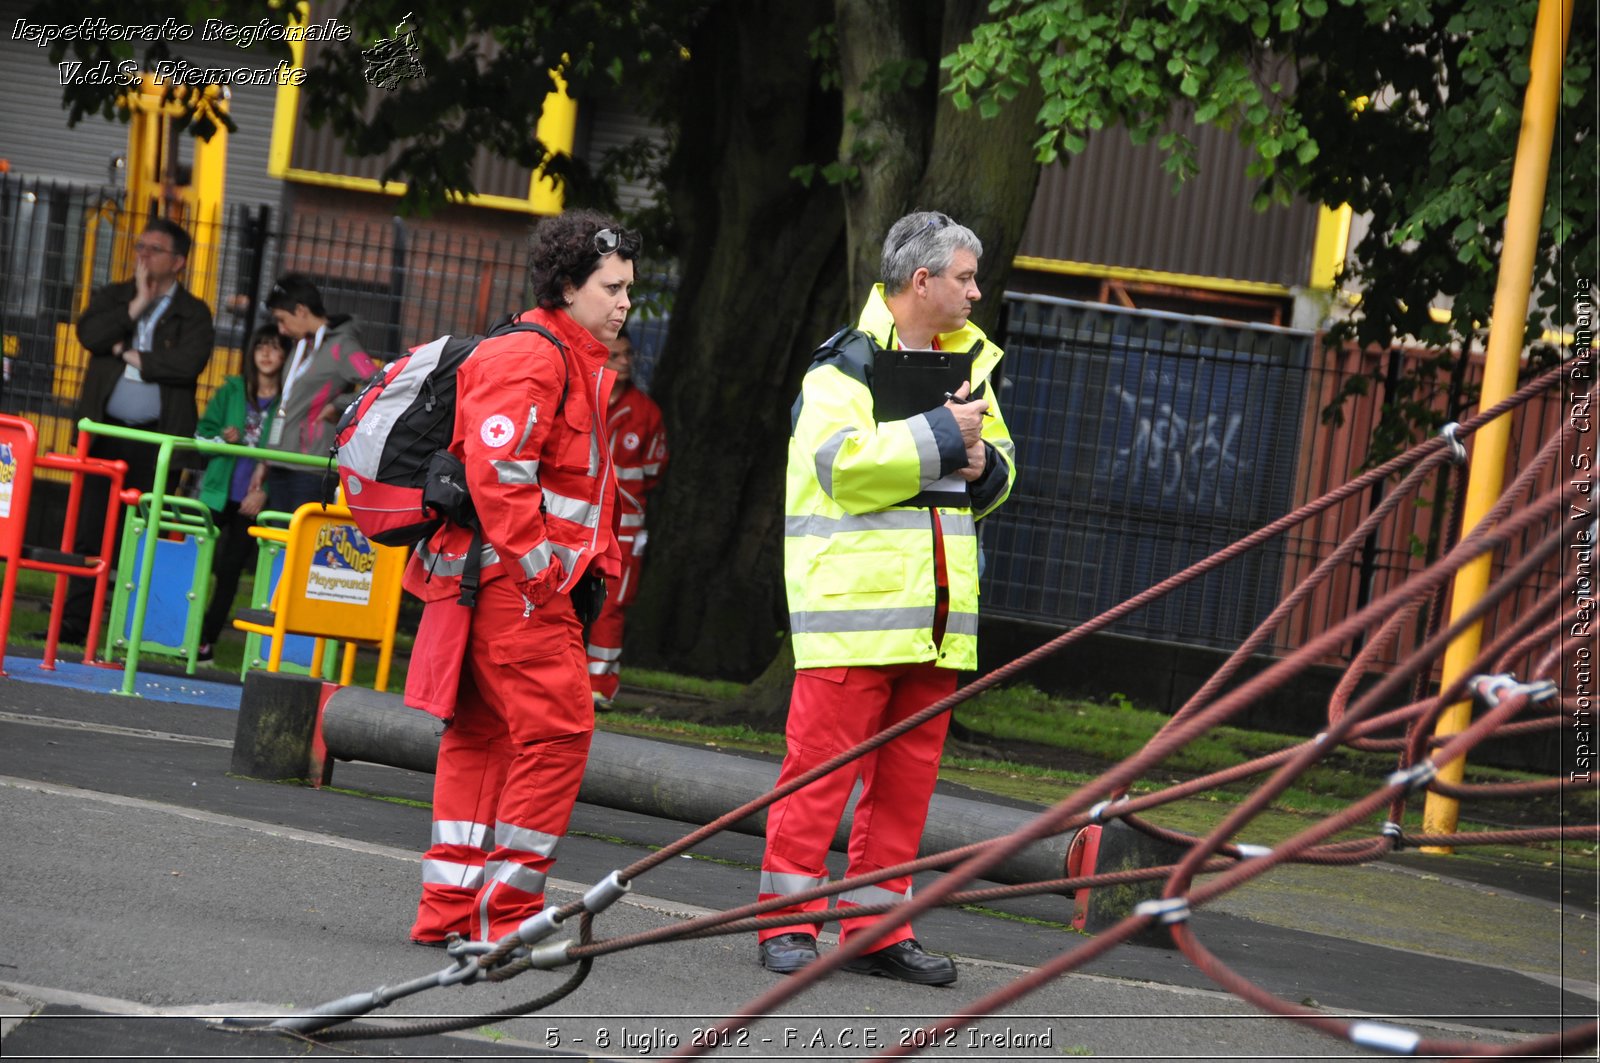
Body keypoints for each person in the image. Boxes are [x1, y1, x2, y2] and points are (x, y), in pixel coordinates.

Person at [756, 211, 1017, 985]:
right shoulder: (845, 365)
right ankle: (786, 925)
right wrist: (946, 434)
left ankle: (876, 929)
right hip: (854, 620)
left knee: (903, 792)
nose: (977, 291)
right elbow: (843, 467)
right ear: (923, 280)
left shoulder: (967, 362)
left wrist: (979, 462)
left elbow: (999, 468)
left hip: (935, 624)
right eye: (966, 277)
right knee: (817, 781)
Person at [404, 210, 638, 946]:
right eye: (613, 287)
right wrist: (545, 581)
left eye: (631, 287)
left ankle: (451, 911)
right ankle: (505, 917)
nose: (627, 303)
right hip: (514, 587)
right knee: (560, 732)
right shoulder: (537, 356)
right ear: (569, 286)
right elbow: (501, 476)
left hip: (488, 580)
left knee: (482, 738)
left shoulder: (559, 354)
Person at [62, 218, 216, 644]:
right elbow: (89, 333)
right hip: (105, 434)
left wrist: (130, 355)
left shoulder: (194, 313)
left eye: (154, 248)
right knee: (90, 529)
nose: (143, 255)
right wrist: (137, 303)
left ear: (179, 261)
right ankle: (76, 623)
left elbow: (187, 365)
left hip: (158, 441)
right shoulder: (115, 296)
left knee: (144, 532)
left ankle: (131, 627)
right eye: (140, 246)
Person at [192, 325, 286, 661]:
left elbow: (289, 457)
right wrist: (222, 437)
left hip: (253, 501)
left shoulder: (288, 403)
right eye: (260, 346)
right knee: (199, 564)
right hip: (218, 493)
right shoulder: (231, 390)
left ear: (286, 356)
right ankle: (184, 633)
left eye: (274, 348)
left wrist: (267, 493)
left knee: (229, 572)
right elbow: (201, 437)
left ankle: (206, 642)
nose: (265, 353)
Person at [585, 329, 668, 707]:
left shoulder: (646, 412)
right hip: (579, 517)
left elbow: (653, 469)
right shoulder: (581, 400)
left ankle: (598, 688)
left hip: (625, 525)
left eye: (628, 355)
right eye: (614, 355)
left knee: (613, 604)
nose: (624, 362)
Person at [258, 273, 378, 513]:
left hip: (311, 467)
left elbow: (378, 384)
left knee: (300, 540)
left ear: (301, 310)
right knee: (276, 539)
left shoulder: (342, 345)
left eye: (282, 320)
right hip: (281, 461)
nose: (281, 330)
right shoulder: (303, 344)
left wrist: (340, 405)